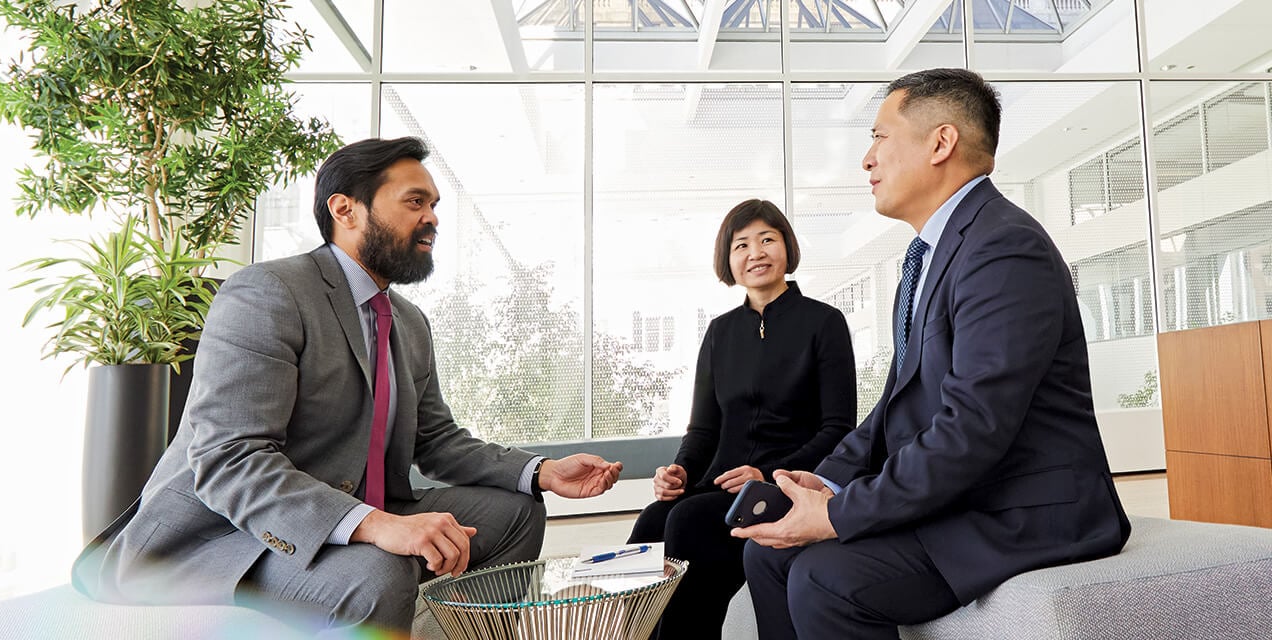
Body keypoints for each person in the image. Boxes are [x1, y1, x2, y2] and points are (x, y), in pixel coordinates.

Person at [71, 136, 623, 635]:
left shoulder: (406, 321)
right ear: (345, 209)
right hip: (223, 535)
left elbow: (436, 441)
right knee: (377, 572)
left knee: (518, 509)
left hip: (356, 506)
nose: (431, 219)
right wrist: (374, 525)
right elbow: (229, 458)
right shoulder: (268, 293)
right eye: (415, 202)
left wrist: (543, 472)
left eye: (434, 206)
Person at [733, 68, 1132, 640]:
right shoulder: (930, 252)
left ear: (940, 143)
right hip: (965, 495)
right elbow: (896, 405)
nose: (867, 160)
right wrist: (826, 486)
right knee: (768, 556)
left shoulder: (1003, 248)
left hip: (1020, 511)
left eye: (879, 137)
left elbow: (972, 428)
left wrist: (839, 517)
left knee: (824, 576)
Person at [627, 199, 857, 640]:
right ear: (728, 260)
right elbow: (703, 430)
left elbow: (838, 430)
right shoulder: (720, 332)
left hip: (784, 487)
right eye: (742, 244)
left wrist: (767, 473)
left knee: (687, 523)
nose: (756, 253)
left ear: (787, 247)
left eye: (767, 239)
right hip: (716, 485)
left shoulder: (824, 323)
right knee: (654, 520)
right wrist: (679, 471)